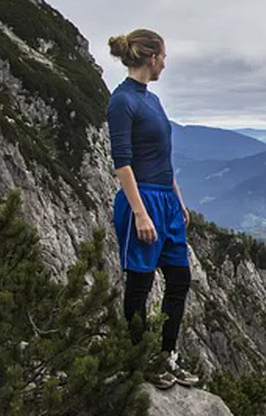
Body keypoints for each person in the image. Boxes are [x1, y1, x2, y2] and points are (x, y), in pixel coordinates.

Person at [106, 28, 199, 390]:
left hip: (165, 199)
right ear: (152, 57)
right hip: (141, 201)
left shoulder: (152, 101)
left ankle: (167, 357)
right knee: (140, 285)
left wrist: (177, 199)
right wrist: (141, 212)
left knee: (180, 280)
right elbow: (122, 163)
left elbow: (163, 157)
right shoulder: (122, 101)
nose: (166, 63)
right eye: (164, 56)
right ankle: (140, 361)